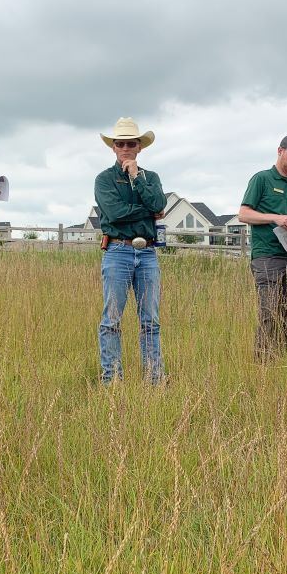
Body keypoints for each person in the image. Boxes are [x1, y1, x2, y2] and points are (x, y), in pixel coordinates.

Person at [95, 117, 167, 384]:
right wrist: (149, 213)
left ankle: (153, 379)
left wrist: (137, 177)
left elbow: (160, 202)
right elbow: (114, 213)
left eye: (131, 143)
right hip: (118, 250)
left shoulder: (151, 177)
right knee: (111, 319)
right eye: (120, 143)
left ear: (139, 147)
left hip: (147, 253)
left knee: (151, 320)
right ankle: (112, 379)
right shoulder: (104, 179)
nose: (125, 147)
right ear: (113, 147)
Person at [238, 135, 287, 361]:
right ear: (280, 151)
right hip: (266, 256)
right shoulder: (261, 179)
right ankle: (262, 363)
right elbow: (243, 214)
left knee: (285, 312)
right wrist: (276, 219)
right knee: (269, 312)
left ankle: (280, 360)